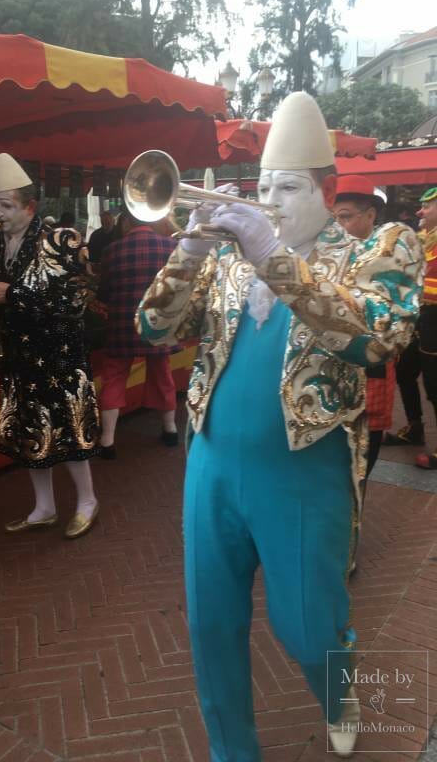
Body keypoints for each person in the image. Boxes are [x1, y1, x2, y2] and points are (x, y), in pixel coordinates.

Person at [136, 92, 423, 761]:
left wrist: (272, 255)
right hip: (212, 463)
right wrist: (187, 244)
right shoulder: (222, 257)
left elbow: (376, 341)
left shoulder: (376, 250)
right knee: (211, 623)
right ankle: (233, 751)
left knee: (307, 624)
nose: (270, 199)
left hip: (304, 468)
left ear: (326, 192)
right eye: (263, 186)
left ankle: (339, 685)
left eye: (288, 187)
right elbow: (154, 328)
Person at [0, 153, 100, 538]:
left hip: (59, 355)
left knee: (69, 429)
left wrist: (13, 294)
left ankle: (87, 501)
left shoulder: (62, 241)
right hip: (20, 356)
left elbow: (78, 298)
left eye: (6, 205)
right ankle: (44, 507)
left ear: (29, 206)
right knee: (28, 430)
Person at [97, 208, 180, 458]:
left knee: (114, 377)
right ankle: (170, 430)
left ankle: (107, 441)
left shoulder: (111, 250)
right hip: (157, 325)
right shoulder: (171, 246)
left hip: (122, 324)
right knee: (162, 374)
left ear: (125, 222)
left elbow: (104, 294)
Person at [332, 175, 397, 479]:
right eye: (333, 218)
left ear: (370, 215)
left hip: (369, 371)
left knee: (362, 461)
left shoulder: (388, 257)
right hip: (331, 380)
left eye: (345, 217)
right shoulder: (327, 253)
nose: (337, 226)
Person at [383, 186, 437, 468]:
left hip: (435, 320)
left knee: (435, 384)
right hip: (419, 318)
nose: (419, 211)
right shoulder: (421, 240)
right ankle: (414, 427)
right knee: (405, 372)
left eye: (427, 206)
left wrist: (411, 286)